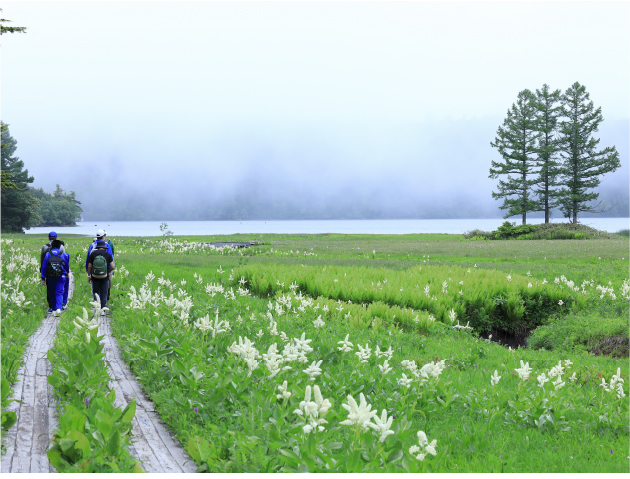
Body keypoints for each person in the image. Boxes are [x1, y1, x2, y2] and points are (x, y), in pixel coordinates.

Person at [41, 242, 68, 314]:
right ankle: (59, 308)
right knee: (59, 292)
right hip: (61, 275)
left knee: (52, 292)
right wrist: (67, 273)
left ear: (52, 246)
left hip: (50, 276)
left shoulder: (48, 254)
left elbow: (44, 266)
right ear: (60, 246)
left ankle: (53, 309)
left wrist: (43, 278)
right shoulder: (62, 253)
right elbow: (66, 265)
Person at [87, 240, 115, 309]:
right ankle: (103, 309)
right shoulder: (107, 255)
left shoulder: (93, 254)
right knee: (104, 293)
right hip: (104, 277)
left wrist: (89, 275)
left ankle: (96, 308)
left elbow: (89, 266)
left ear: (97, 247)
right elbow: (113, 266)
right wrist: (108, 271)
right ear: (104, 248)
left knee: (95, 293)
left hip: (95, 276)